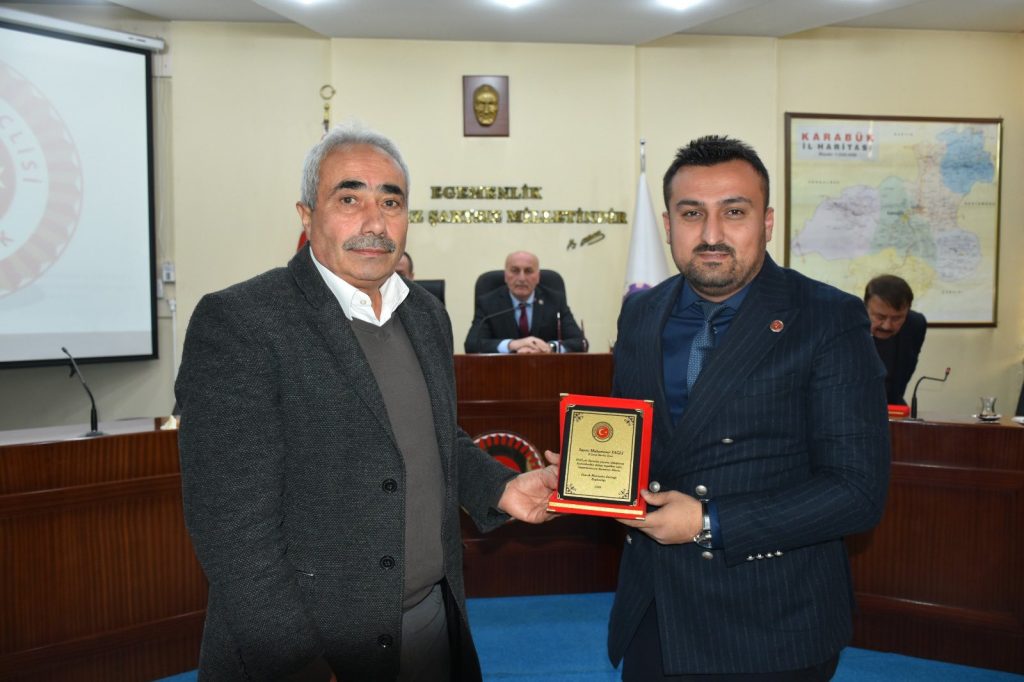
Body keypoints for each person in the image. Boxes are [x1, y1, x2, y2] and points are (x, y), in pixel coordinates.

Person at [175, 123, 558, 682]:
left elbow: (433, 437)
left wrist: (500, 487)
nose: (375, 222)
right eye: (349, 199)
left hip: (432, 625)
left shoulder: (426, 315)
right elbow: (233, 533)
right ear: (307, 216)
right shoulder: (241, 322)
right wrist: (301, 665)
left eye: (391, 202)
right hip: (313, 647)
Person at [608, 135, 891, 680]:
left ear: (768, 222)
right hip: (655, 608)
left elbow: (857, 492)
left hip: (771, 619)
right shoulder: (641, 312)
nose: (711, 234)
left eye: (734, 212)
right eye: (692, 213)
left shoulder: (828, 318)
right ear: (668, 224)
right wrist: (587, 479)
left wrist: (708, 522)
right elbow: (642, 439)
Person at [464, 250, 586, 354]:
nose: (522, 278)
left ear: (538, 277)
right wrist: (512, 345)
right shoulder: (488, 303)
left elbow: (580, 342)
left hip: (546, 369)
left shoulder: (555, 300)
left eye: (528, 271)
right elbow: (471, 344)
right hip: (502, 370)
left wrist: (550, 347)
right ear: (506, 276)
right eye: (515, 271)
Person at [863, 274, 927, 405]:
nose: (887, 326)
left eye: (897, 318)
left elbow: (903, 374)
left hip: (893, 404)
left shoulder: (915, 325)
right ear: (865, 308)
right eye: (880, 317)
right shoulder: (846, 324)